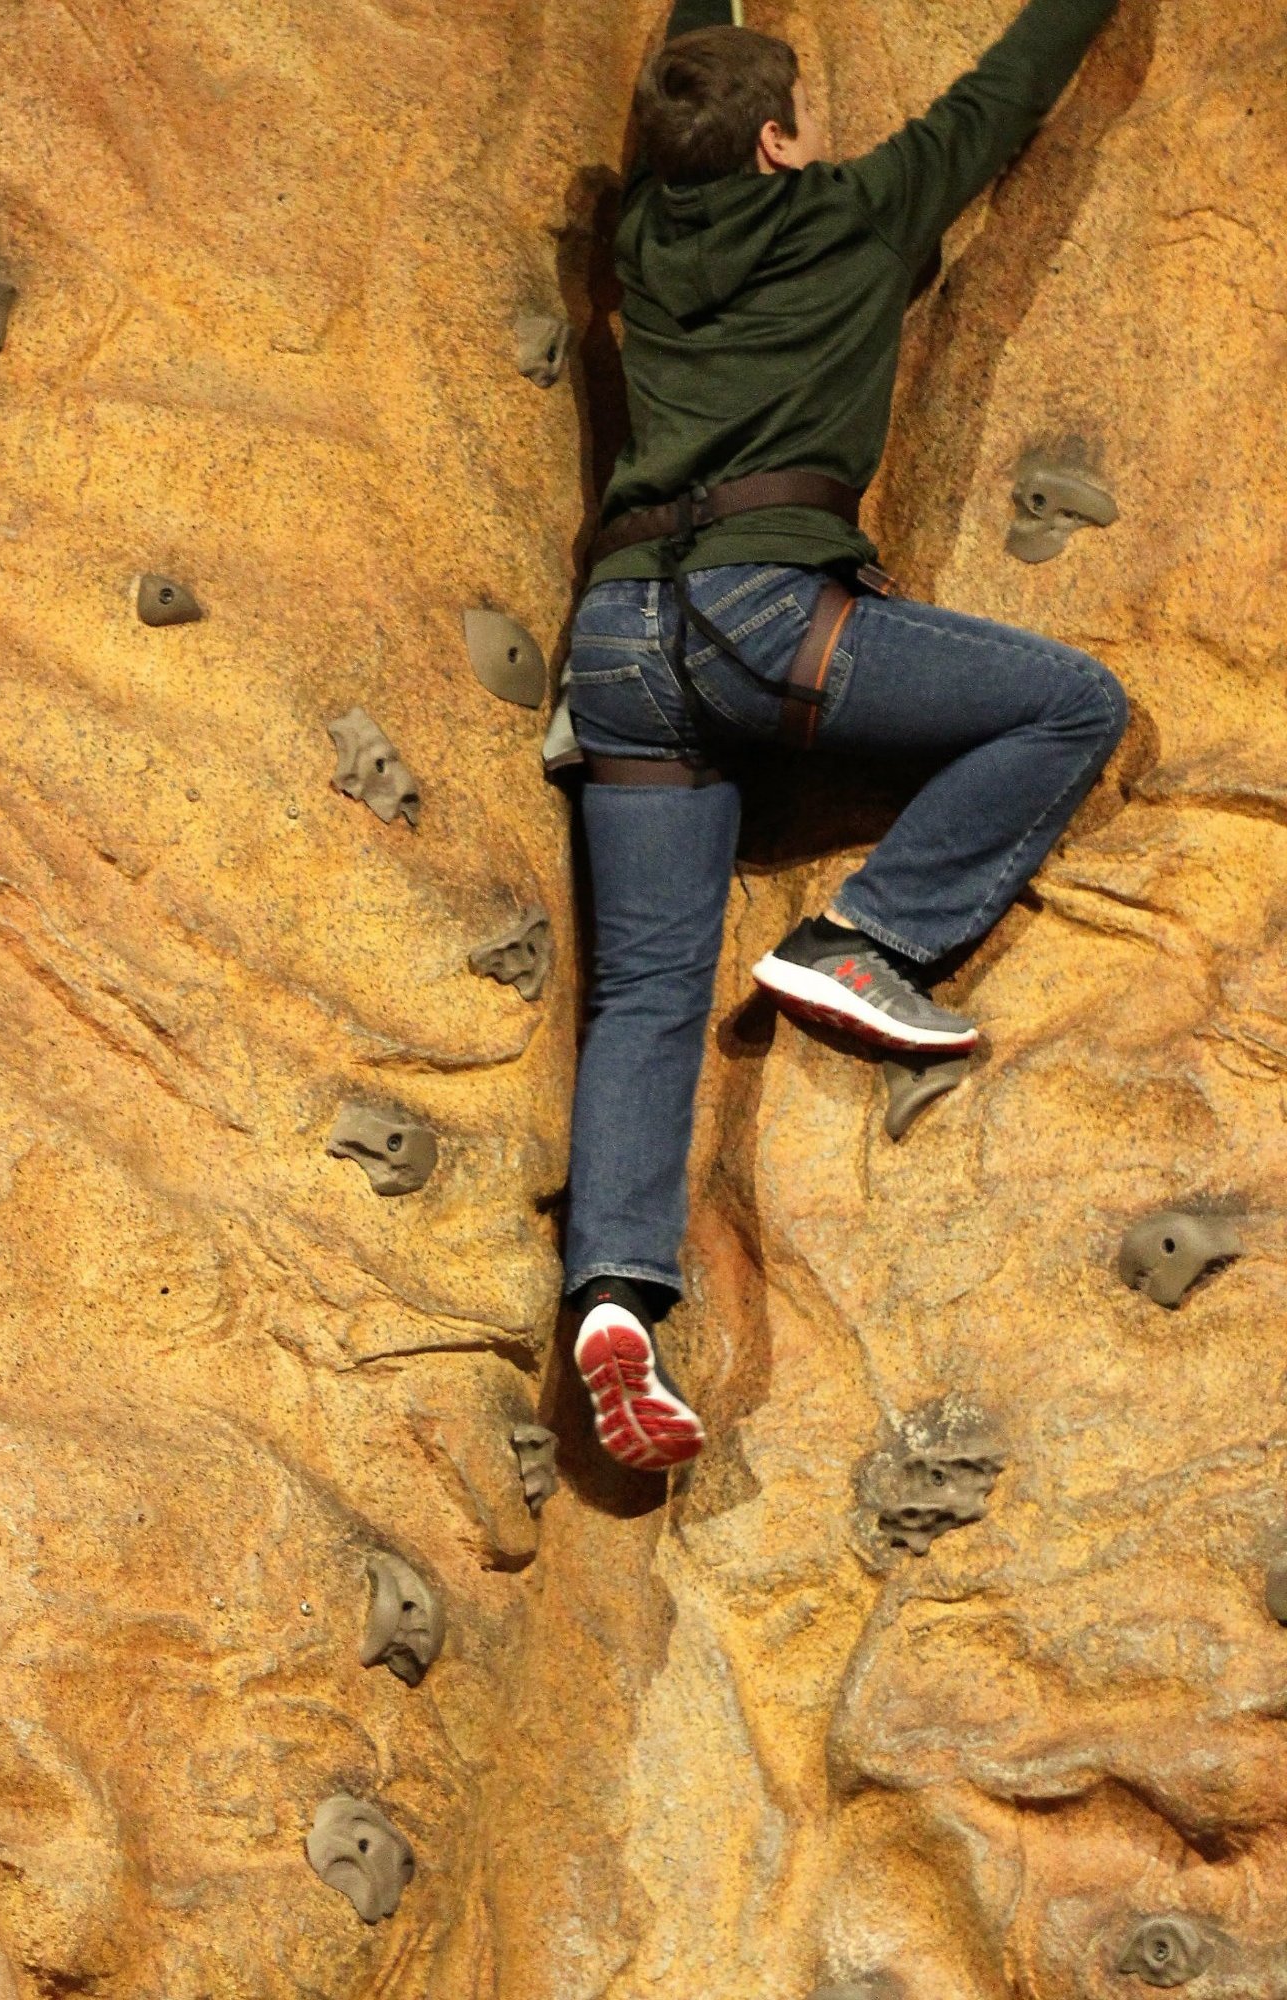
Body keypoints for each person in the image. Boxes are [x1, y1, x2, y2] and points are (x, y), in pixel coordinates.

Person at [565, 0, 1128, 1472]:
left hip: (618, 640)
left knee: (644, 993)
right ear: (774, 142)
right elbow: (1004, 92)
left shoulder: (645, 237)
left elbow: (688, 70)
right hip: (767, 614)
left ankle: (614, 1297)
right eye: (801, 110)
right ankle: (864, 939)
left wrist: (701, 34)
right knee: (1074, 703)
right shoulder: (856, 214)